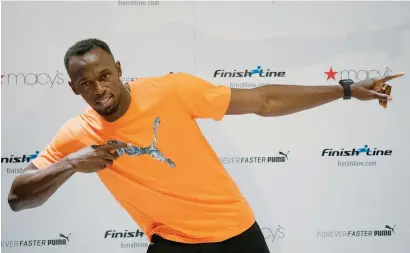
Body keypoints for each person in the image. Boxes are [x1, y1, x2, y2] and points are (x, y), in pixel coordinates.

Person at [7, 38, 403, 253]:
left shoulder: (172, 90)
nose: (100, 89)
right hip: (171, 243)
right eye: (86, 84)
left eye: (104, 75)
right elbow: (17, 198)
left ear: (119, 70)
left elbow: (263, 100)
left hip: (236, 235)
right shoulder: (77, 133)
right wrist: (71, 163)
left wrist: (346, 90)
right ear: (73, 88)